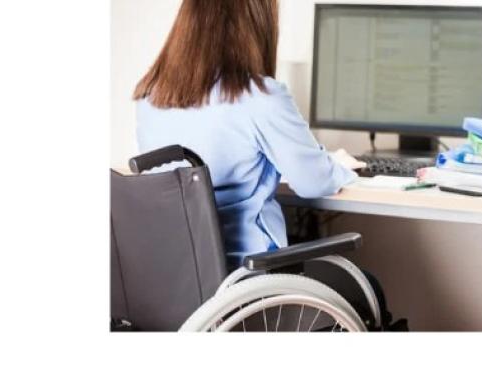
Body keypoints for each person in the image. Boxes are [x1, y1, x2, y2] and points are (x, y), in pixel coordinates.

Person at [133, 0, 361, 270]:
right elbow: (314, 183)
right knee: (369, 285)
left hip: (179, 281)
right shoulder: (260, 97)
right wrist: (342, 168)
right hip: (247, 277)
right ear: (258, 23)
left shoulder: (150, 97)